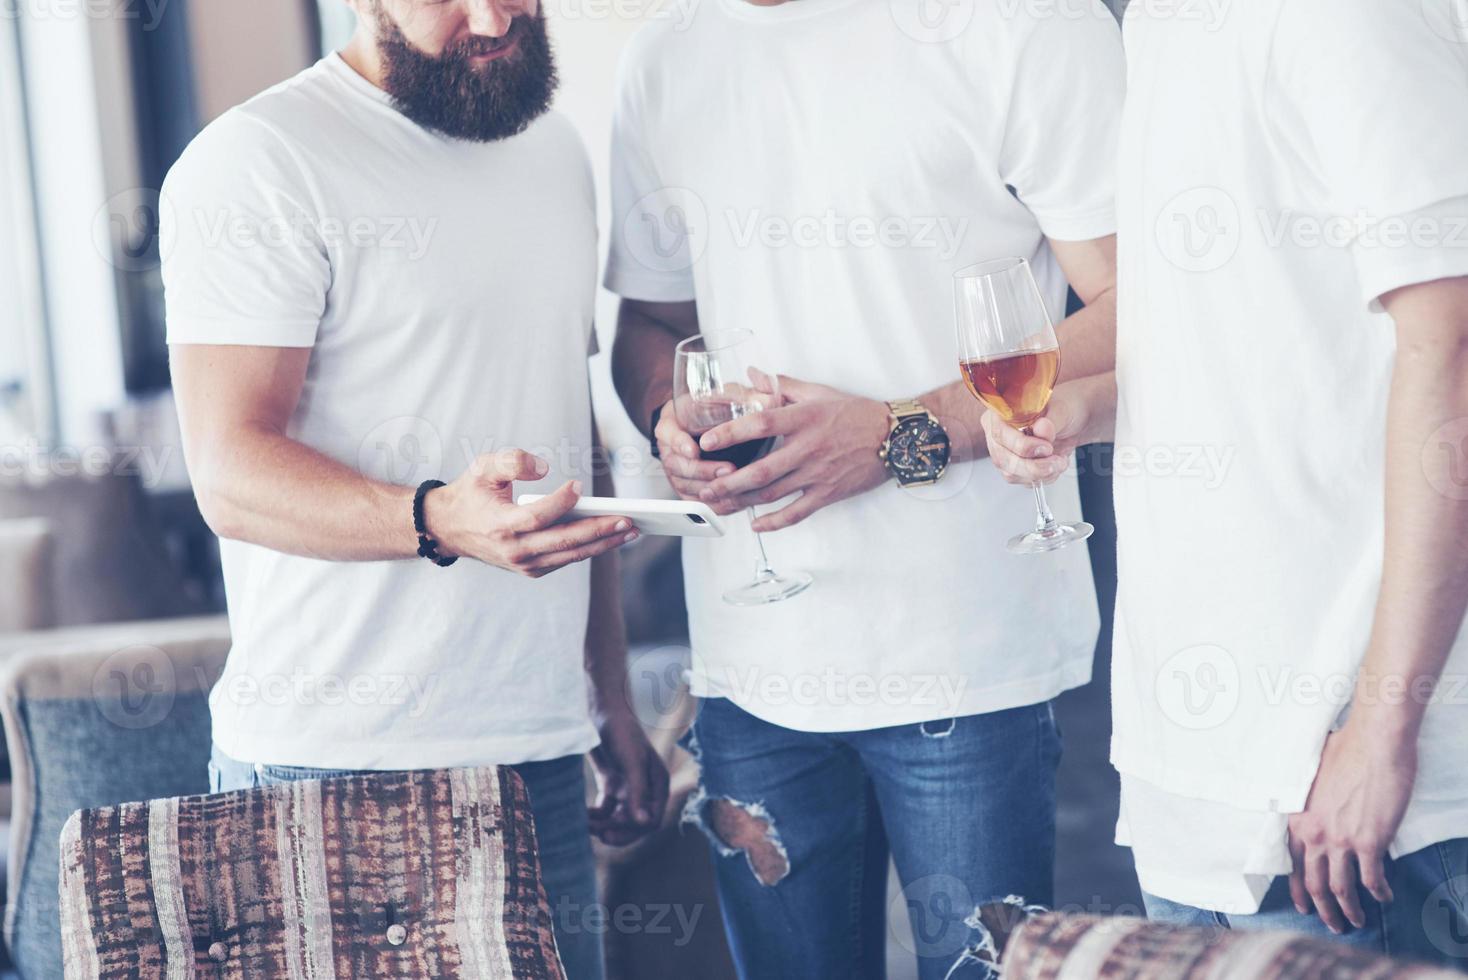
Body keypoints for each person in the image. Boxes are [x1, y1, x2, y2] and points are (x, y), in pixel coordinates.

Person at [604, 1, 1125, 975]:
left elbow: (1145, 305)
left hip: (968, 653)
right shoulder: (666, 54)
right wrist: (662, 411)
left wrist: (897, 436)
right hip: (749, 664)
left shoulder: (1027, 23)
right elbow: (652, 322)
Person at [164, 3, 668, 976]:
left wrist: (607, 695)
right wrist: (437, 518)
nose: (492, 17)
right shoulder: (260, 161)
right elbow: (230, 472)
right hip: (330, 762)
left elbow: (571, 439)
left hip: (539, 758)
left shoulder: (554, 152)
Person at [982, 0, 1468, 965]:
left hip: (1348, 772)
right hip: (1198, 775)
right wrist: (1097, 407)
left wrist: (1382, 727)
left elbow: (1451, 349)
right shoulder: (1160, 24)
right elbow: (1268, 347)